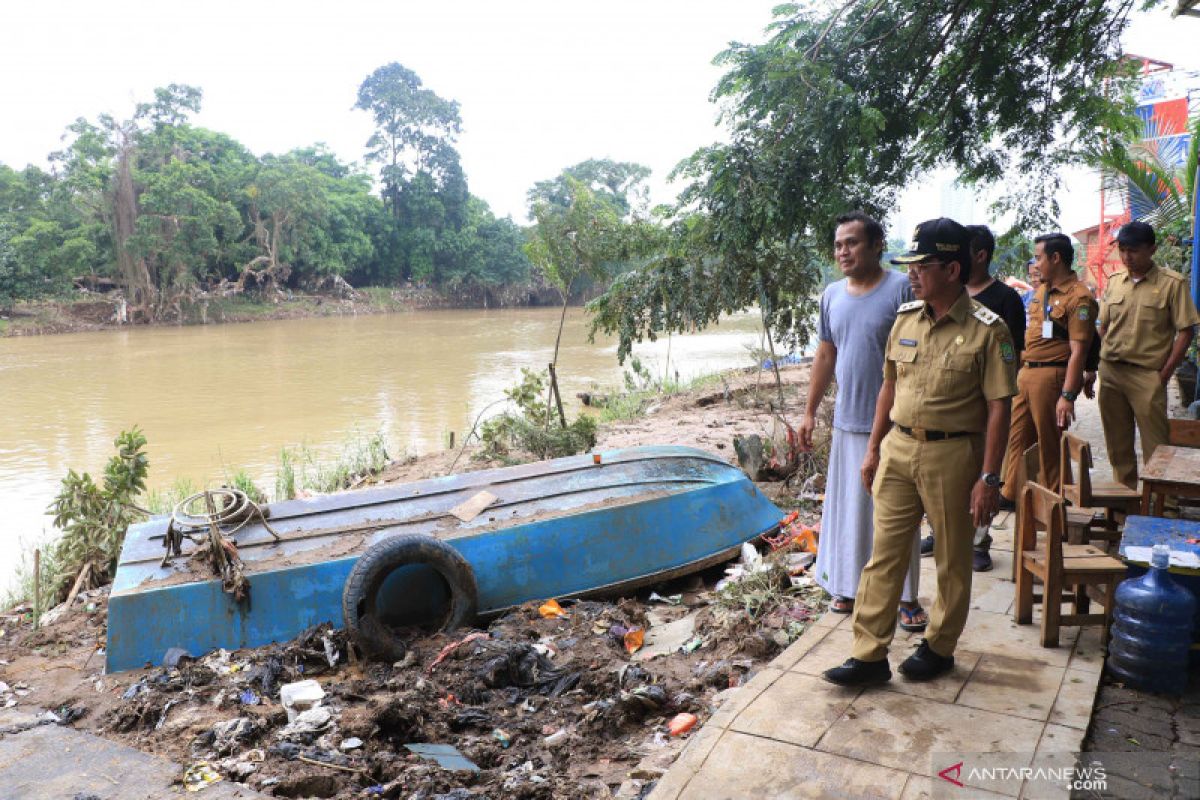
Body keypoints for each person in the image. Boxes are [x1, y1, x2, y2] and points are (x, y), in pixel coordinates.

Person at [823, 217, 1016, 687]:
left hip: (954, 455)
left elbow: (999, 409)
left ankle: (939, 646)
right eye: (909, 265)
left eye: (922, 265)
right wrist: (873, 450)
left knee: (951, 558)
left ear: (952, 270)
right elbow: (888, 388)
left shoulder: (990, 331)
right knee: (883, 553)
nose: (912, 273)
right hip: (898, 448)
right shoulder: (906, 320)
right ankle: (869, 654)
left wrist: (989, 478)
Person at [799, 211, 926, 632]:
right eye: (838, 245)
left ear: (876, 246)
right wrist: (809, 411)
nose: (843, 251)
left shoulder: (902, 289)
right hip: (846, 422)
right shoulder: (832, 294)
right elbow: (825, 354)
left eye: (852, 243)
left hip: (896, 424)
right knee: (850, 510)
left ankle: (906, 597)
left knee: (897, 512)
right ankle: (848, 587)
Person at [920, 224, 1025, 571]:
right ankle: (939, 531)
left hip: (982, 407)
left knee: (981, 475)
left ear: (977, 256)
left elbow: (1014, 354)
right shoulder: (943, 296)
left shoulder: (1004, 300)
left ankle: (979, 540)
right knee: (942, 482)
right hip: (945, 407)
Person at [997, 233, 1097, 513]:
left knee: (1049, 445)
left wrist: (1067, 395)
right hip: (1026, 373)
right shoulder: (1042, 290)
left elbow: (1079, 350)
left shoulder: (1079, 297)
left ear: (1056, 258)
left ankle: (1054, 507)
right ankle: (1011, 493)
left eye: (1039, 257)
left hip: (1052, 377)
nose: (1035, 263)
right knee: (1017, 438)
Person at [1098, 221, 1200, 488]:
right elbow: (1103, 324)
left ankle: (1160, 505)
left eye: (1133, 250)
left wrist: (1164, 374)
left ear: (1152, 249)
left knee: (1156, 446)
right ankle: (1124, 503)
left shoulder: (1172, 284)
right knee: (1117, 445)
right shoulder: (1114, 282)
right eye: (1122, 250)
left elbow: (1186, 331)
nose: (1126, 257)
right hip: (1111, 373)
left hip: (1147, 375)